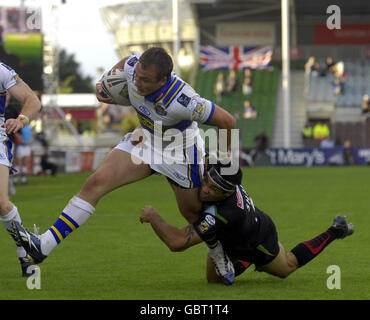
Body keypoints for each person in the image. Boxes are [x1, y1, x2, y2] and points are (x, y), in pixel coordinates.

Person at [13, 47, 236, 267]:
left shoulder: (184, 100)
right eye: (137, 76)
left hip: (180, 151)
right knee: (94, 184)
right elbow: (128, 60)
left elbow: (227, 121)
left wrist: (221, 163)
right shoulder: (133, 68)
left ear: (162, 81)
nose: (136, 83)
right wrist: (104, 82)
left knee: (193, 214)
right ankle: (43, 245)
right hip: (145, 139)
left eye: (145, 80)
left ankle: (218, 253)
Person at [140, 163, 354, 285]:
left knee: (287, 266)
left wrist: (153, 216)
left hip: (259, 241)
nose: (205, 189)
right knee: (213, 283)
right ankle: (231, 258)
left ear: (226, 193)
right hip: (231, 237)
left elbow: (177, 242)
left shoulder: (225, 213)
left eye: (213, 189)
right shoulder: (223, 172)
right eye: (206, 181)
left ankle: (336, 230)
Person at [0, 61, 41, 277]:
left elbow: (32, 100)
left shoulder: (1, 71)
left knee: (1, 203)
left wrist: (21, 120)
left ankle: (25, 248)